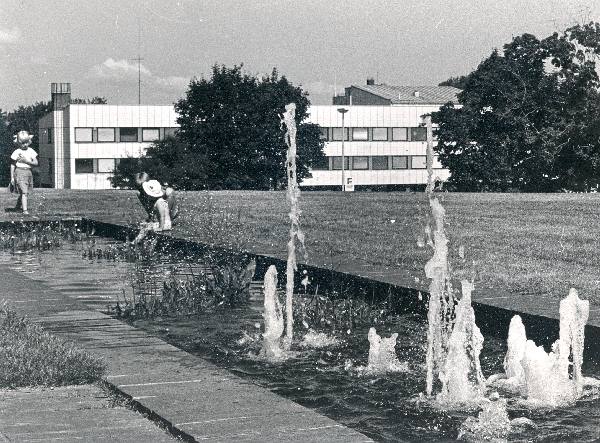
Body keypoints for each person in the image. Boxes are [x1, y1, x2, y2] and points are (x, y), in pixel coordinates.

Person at [10, 130, 38, 215]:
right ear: (18, 143)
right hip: (19, 172)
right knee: (24, 192)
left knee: (25, 192)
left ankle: (18, 206)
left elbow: (36, 163)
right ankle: (25, 210)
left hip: (28, 172)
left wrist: (26, 161)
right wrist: (12, 177)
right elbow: (12, 165)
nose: (24, 145)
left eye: (26, 142)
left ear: (29, 141)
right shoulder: (17, 152)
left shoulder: (31, 151)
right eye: (22, 143)